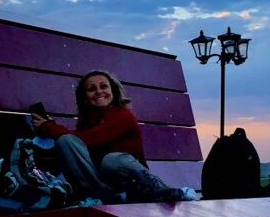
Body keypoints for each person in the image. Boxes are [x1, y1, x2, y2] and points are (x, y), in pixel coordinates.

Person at [32, 69, 197, 203]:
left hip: (133, 180)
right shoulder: (85, 123)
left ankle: (159, 190)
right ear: (85, 98)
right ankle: (100, 197)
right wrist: (51, 131)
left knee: (111, 160)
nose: (99, 92)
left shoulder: (123, 115)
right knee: (66, 141)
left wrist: (49, 127)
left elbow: (93, 138)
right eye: (91, 89)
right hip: (105, 187)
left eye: (104, 86)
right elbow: (76, 142)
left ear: (113, 91)